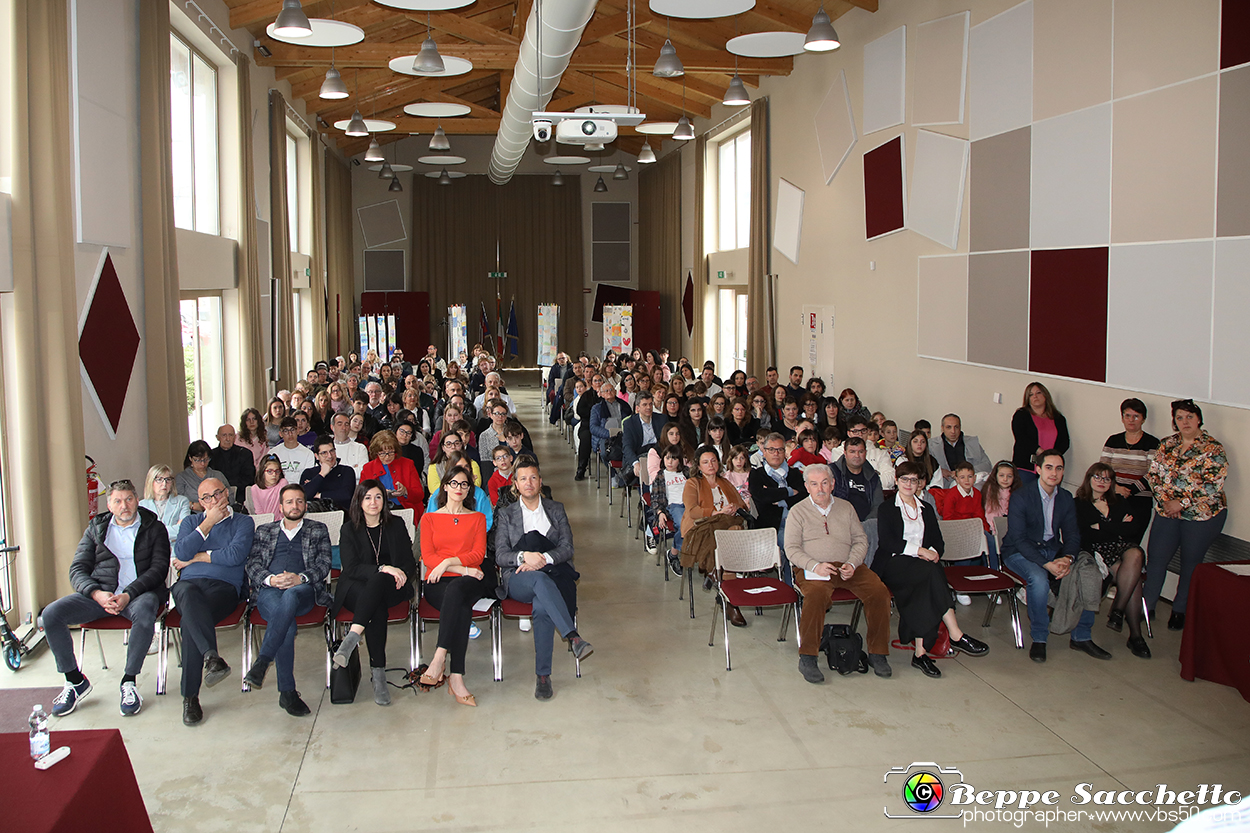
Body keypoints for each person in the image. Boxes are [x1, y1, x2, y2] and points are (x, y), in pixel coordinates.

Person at [44, 479, 169, 718]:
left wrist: (128, 594)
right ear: (109, 505)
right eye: (118, 501)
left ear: (137, 500)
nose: (125, 506)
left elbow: (158, 570)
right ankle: (74, 681)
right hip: (101, 594)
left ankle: (129, 681)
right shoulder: (96, 528)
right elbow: (77, 569)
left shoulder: (154, 527)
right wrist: (96, 593)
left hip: (138, 594)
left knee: (145, 611)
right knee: (51, 614)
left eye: (129, 499)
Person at [873, 462, 990, 677]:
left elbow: (938, 541)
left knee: (926, 581)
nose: (909, 484)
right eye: (904, 479)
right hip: (893, 563)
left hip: (921, 567)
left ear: (920, 483)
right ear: (897, 481)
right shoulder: (887, 508)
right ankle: (955, 633)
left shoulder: (926, 509)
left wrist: (933, 551)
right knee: (930, 573)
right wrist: (921, 551)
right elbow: (888, 543)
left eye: (914, 480)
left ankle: (921, 653)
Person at [494, 458, 593, 700]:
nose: (529, 483)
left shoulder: (556, 509)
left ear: (541, 482)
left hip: (553, 572)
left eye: (533, 478)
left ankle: (543, 676)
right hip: (518, 578)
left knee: (541, 606)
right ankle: (572, 636)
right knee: (539, 582)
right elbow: (500, 554)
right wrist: (524, 556)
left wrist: (544, 560)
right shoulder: (507, 514)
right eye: (523, 478)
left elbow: (567, 547)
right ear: (515, 485)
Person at [786, 464, 893, 683]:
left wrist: (853, 563)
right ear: (807, 487)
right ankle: (808, 656)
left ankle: (878, 653)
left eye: (825, 482)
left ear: (833, 484)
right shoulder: (798, 511)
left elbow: (860, 540)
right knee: (816, 597)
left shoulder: (846, 508)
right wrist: (815, 566)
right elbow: (791, 549)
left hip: (848, 566)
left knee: (879, 592)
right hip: (813, 568)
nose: (820, 488)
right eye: (814, 484)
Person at [1001, 451, 1110, 663]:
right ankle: (1040, 638)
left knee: (1089, 573)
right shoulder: (1022, 496)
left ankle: (1082, 636)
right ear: (1038, 470)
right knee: (1039, 579)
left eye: (1059, 468)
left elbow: (1072, 535)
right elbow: (1019, 539)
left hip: (1052, 549)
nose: (1054, 473)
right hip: (1018, 552)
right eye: (1049, 467)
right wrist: (1047, 565)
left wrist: (1067, 558)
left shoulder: (1066, 498)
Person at [242, 485, 331, 715]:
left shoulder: (318, 529)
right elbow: (252, 564)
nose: (295, 506)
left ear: (305, 505)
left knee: (291, 595)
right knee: (287, 628)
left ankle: (263, 662)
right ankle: (287, 693)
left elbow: (323, 565)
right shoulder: (264, 530)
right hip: (269, 591)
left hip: (303, 592)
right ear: (280, 507)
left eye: (300, 501)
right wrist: (271, 580)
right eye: (290, 502)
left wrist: (299, 578)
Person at [172, 478, 255, 725]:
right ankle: (210, 658)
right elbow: (181, 552)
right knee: (187, 595)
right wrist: (208, 523)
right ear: (200, 503)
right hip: (188, 586)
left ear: (226, 494)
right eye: (206, 497)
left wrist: (198, 558)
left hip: (224, 588)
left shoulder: (243, 522)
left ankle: (190, 696)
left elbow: (235, 555)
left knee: (190, 620)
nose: (213, 500)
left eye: (217, 494)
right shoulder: (191, 522)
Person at [1143, 399, 1228, 632]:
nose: (1185, 421)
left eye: (1189, 416)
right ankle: (1146, 606)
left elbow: (1214, 484)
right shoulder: (1166, 444)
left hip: (1202, 516)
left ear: (1199, 419)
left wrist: (1182, 502)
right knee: (1157, 559)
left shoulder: (1213, 448)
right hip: (1166, 512)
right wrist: (1167, 503)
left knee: (1191, 563)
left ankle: (1180, 610)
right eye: (1179, 417)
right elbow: (1153, 476)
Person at [332, 481, 418, 706]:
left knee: (379, 587)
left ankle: (352, 637)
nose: (373, 502)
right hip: (355, 587)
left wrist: (399, 572)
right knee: (375, 604)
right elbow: (350, 568)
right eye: (368, 497)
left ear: (384, 500)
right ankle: (378, 674)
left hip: (394, 586)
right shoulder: (349, 529)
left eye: (378, 497)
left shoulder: (396, 524)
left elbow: (409, 562)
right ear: (359, 501)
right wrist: (383, 568)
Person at [414, 465, 493, 707]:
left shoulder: (477, 518)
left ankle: (439, 657)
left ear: (470, 489)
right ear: (445, 486)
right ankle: (456, 678)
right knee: (459, 603)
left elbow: (478, 554)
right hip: (442, 581)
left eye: (465, 484)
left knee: (458, 591)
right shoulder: (429, 519)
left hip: (471, 580)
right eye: (454, 483)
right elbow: (428, 557)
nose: (459, 488)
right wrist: (461, 569)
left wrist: (448, 561)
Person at [1075, 463, 1150, 659]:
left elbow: (1133, 530)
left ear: (1112, 482)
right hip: (1097, 552)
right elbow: (1086, 535)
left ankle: (1118, 609)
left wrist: (1102, 527)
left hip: (1123, 550)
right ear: (1089, 478)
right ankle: (1135, 635)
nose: (1102, 482)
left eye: (1107, 479)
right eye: (1098, 477)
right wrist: (1117, 526)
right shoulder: (1079, 503)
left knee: (1136, 554)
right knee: (1133, 581)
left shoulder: (1119, 501)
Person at [681, 447, 749, 626]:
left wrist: (734, 507)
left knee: (733, 531)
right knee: (728, 537)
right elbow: (693, 511)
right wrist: (717, 512)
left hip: (727, 529)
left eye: (713, 461)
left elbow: (741, 504)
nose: (710, 465)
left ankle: (718, 578)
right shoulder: (693, 483)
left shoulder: (725, 482)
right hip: (701, 527)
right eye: (705, 462)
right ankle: (731, 602)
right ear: (698, 465)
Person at [750, 433, 822, 584]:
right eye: (772, 450)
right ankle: (795, 588)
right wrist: (789, 492)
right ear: (764, 451)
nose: (776, 454)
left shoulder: (795, 473)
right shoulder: (757, 474)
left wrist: (777, 498)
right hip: (773, 526)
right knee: (791, 545)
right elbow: (761, 498)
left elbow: (803, 497)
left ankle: (811, 586)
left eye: (780, 450)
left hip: (799, 522)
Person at [1099, 398, 1160, 522]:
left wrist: (1129, 491)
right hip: (1113, 497)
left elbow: (1153, 474)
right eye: (1127, 415)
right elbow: (1102, 470)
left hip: (1140, 501)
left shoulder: (1152, 443)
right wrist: (1116, 488)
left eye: (1136, 416)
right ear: (1122, 418)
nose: (1131, 420)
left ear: (1143, 419)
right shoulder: (1113, 441)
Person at [834, 437, 884, 563]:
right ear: (844, 453)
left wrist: (863, 526)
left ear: (865, 453)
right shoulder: (833, 473)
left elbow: (878, 505)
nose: (857, 455)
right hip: (840, 522)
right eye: (852, 451)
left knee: (873, 526)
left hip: (866, 523)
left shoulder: (873, 477)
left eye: (860, 451)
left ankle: (867, 571)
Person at [360, 430, 425, 517]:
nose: (387, 457)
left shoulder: (407, 464)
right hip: (377, 510)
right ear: (376, 453)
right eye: (382, 453)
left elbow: (419, 495)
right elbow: (361, 496)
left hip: (403, 508)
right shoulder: (368, 468)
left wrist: (405, 491)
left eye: (391, 452)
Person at [1011, 382, 1070, 478]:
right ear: (1028, 399)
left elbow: (1065, 442)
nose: (1035, 396)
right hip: (1026, 467)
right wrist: (1041, 452)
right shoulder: (1021, 415)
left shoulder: (1058, 418)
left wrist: (1051, 456)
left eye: (1038, 393)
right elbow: (1021, 438)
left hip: (1051, 469)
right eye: (1031, 394)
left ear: (1045, 395)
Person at [930, 414, 992, 489]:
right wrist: (938, 471)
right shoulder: (932, 445)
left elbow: (987, 465)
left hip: (972, 486)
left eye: (956, 427)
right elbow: (925, 466)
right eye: (949, 427)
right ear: (942, 428)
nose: (953, 431)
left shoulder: (972, 443)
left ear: (960, 427)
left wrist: (965, 473)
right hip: (945, 488)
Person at [299, 436, 357, 511]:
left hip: (342, 514)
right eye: (324, 453)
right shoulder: (308, 473)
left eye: (332, 451)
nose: (330, 456)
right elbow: (304, 496)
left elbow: (346, 495)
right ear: (317, 456)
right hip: (315, 515)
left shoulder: (347, 471)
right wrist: (322, 474)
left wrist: (319, 495)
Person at [140, 464, 191, 546]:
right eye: (159, 479)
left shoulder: (182, 501)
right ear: (151, 481)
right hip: (151, 551)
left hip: (175, 550)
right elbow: (142, 534)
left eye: (168, 479)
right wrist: (173, 531)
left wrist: (153, 532)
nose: (164, 484)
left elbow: (184, 529)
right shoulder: (142, 505)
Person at [623, 393, 666, 485]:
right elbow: (627, 447)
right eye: (645, 404)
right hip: (640, 455)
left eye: (650, 404)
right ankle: (646, 496)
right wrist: (635, 463)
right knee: (643, 469)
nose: (649, 407)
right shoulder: (629, 423)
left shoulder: (662, 419)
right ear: (637, 408)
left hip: (659, 454)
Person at [176, 441, 228, 512]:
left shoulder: (217, 475)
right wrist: (192, 505)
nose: (202, 463)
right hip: (193, 515)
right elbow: (177, 501)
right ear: (190, 458)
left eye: (206, 460)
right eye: (198, 460)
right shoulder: (182, 477)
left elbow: (229, 497)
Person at [209, 424, 256, 492]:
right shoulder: (211, 455)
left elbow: (249, 478)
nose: (227, 439)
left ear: (235, 437)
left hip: (240, 494)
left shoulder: (245, 454)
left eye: (230, 435)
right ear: (217, 437)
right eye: (224, 435)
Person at [271, 417, 316, 482]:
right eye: (286, 431)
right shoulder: (273, 453)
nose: (290, 434)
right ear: (281, 434)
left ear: (297, 431)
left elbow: (307, 478)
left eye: (292, 430)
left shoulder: (308, 454)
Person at [330, 412, 369, 480]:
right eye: (339, 424)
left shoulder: (360, 448)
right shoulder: (326, 448)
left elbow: (363, 472)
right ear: (332, 427)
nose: (343, 428)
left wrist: (335, 471)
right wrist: (352, 469)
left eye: (346, 424)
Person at [252, 456, 288, 522]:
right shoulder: (255, 489)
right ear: (262, 472)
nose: (274, 474)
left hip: (281, 522)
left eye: (277, 471)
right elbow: (259, 511)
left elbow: (285, 507)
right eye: (269, 471)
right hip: (264, 522)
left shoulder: (283, 483)